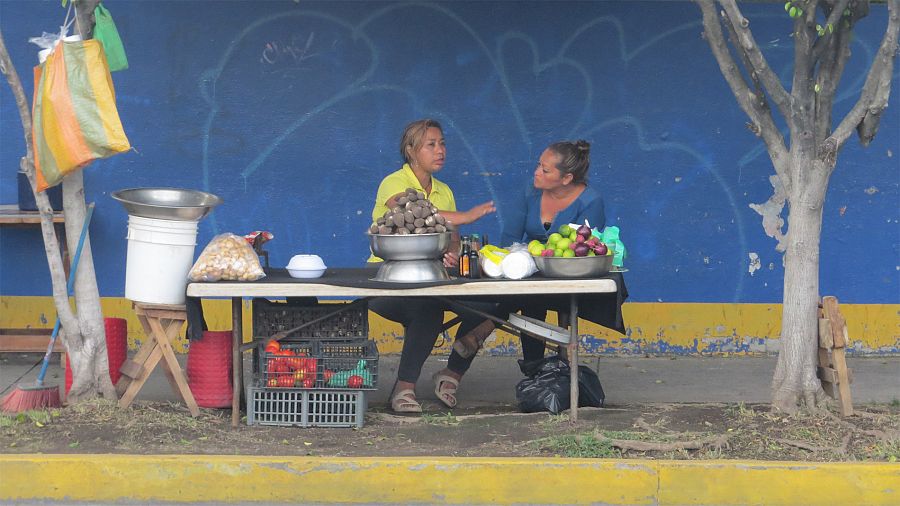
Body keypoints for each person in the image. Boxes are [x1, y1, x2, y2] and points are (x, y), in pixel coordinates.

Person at [368, 118, 496, 413]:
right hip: (387, 282)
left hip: (435, 278)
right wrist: (467, 215)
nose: (440, 151)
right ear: (411, 151)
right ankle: (403, 389)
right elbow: (412, 211)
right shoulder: (394, 182)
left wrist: (451, 253)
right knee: (427, 309)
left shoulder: (444, 191)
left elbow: (452, 241)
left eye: (442, 144)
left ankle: (451, 374)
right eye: (431, 145)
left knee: (494, 303)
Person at [498, 139, 606, 363]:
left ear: (566, 178)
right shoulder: (531, 191)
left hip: (569, 281)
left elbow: (585, 249)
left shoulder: (590, 201)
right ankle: (533, 373)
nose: (536, 172)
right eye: (538, 165)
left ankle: (532, 369)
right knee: (504, 297)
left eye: (545, 170)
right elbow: (510, 237)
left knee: (529, 299)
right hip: (527, 274)